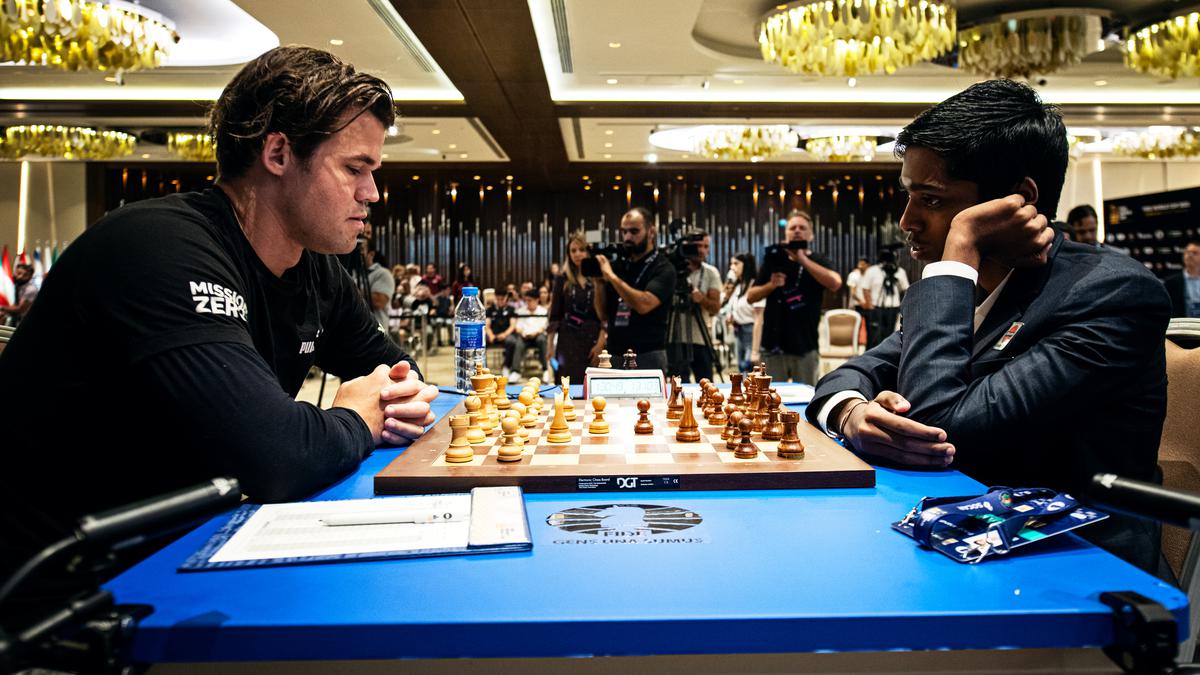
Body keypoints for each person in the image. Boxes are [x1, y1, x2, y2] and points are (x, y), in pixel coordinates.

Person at [0, 46, 441, 578]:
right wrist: (356, 418)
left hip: (183, 550)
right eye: (354, 168)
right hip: (56, 593)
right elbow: (276, 456)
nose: (371, 193)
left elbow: (401, 377)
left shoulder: (315, 267)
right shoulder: (158, 246)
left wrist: (382, 401)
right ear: (278, 154)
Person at [808, 79, 1170, 573]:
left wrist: (959, 249)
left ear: (1016, 200)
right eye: (909, 196)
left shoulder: (1111, 294)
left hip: (1069, 567)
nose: (906, 220)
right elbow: (851, 373)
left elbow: (939, 426)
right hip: (957, 537)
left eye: (932, 200)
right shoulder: (976, 288)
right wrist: (851, 414)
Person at [745, 210, 843, 384]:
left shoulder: (818, 260)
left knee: (807, 401)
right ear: (786, 233)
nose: (797, 231)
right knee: (771, 401)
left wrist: (802, 260)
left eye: (802, 228)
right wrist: (771, 285)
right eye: (793, 228)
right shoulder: (774, 259)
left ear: (811, 235)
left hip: (805, 346)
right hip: (773, 346)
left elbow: (835, 283)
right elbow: (750, 297)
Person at [593, 207, 677, 373]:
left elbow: (644, 304)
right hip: (615, 353)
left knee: (648, 401)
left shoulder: (663, 267)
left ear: (651, 232)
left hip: (648, 354)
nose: (627, 237)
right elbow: (603, 314)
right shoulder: (618, 266)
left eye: (634, 231)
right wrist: (599, 284)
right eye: (624, 232)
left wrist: (611, 277)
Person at [547, 232, 604, 383]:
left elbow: (606, 316)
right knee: (567, 388)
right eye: (573, 250)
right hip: (568, 341)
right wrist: (550, 347)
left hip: (594, 338)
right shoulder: (562, 278)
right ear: (568, 254)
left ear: (588, 251)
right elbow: (554, 316)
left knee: (593, 387)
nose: (577, 254)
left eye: (581, 249)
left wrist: (601, 344)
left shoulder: (599, 277)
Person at [668, 228, 721, 382]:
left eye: (706, 246)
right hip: (674, 338)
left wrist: (701, 299)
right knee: (677, 386)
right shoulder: (671, 272)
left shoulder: (711, 273)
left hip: (700, 339)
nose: (702, 251)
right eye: (697, 246)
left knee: (706, 385)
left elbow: (715, 308)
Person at [720, 252, 764, 372]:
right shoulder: (738, 286)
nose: (732, 267)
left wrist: (755, 350)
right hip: (738, 331)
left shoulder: (754, 286)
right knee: (742, 367)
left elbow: (758, 318)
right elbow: (723, 302)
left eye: (736, 263)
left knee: (750, 367)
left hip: (751, 331)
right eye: (731, 264)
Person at [859, 248, 909, 349]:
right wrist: (869, 305)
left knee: (889, 335)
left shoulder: (899, 271)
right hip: (876, 307)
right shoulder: (872, 271)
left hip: (892, 307)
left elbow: (905, 289)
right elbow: (865, 288)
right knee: (874, 336)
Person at [509, 288, 548, 380]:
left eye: (530, 300)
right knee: (518, 342)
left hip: (538, 335)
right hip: (524, 336)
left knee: (542, 340)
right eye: (526, 300)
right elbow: (517, 327)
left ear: (537, 300)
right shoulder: (520, 311)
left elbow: (543, 327)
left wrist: (536, 333)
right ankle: (516, 371)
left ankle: (545, 369)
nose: (527, 302)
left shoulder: (543, 311)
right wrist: (522, 333)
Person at [1163, 239, 1200, 318]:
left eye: (1195, 253)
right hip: (1181, 327)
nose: (1189, 255)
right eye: (1187, 252)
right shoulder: (1171, 282)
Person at [485, 288, 517, 375]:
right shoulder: (490, 310)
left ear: (506, 298)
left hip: (506, 334)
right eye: (498, 299)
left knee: (512, 341)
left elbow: (512, 326)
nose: (500, 301)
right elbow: (487, 326)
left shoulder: (511, 309)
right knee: (480, 341)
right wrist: (490, 335)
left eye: (502, 299)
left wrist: (504, 334)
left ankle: (506, 367)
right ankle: (483, 368)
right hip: (493, 334)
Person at [365, 243, 395, 333]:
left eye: (361, 249)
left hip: (375, 331)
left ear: (371, 254)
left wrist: (349, 290)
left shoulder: (382, 273)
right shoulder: (349, 271)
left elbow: (379, 302)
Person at [0, 263, 39, 327]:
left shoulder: (31, 289)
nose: (20, 277)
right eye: (19, 273)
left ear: (31, 276)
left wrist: (2, 308)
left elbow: (19, 309)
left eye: (25, 275)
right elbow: (15, 305)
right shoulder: (19, 285)